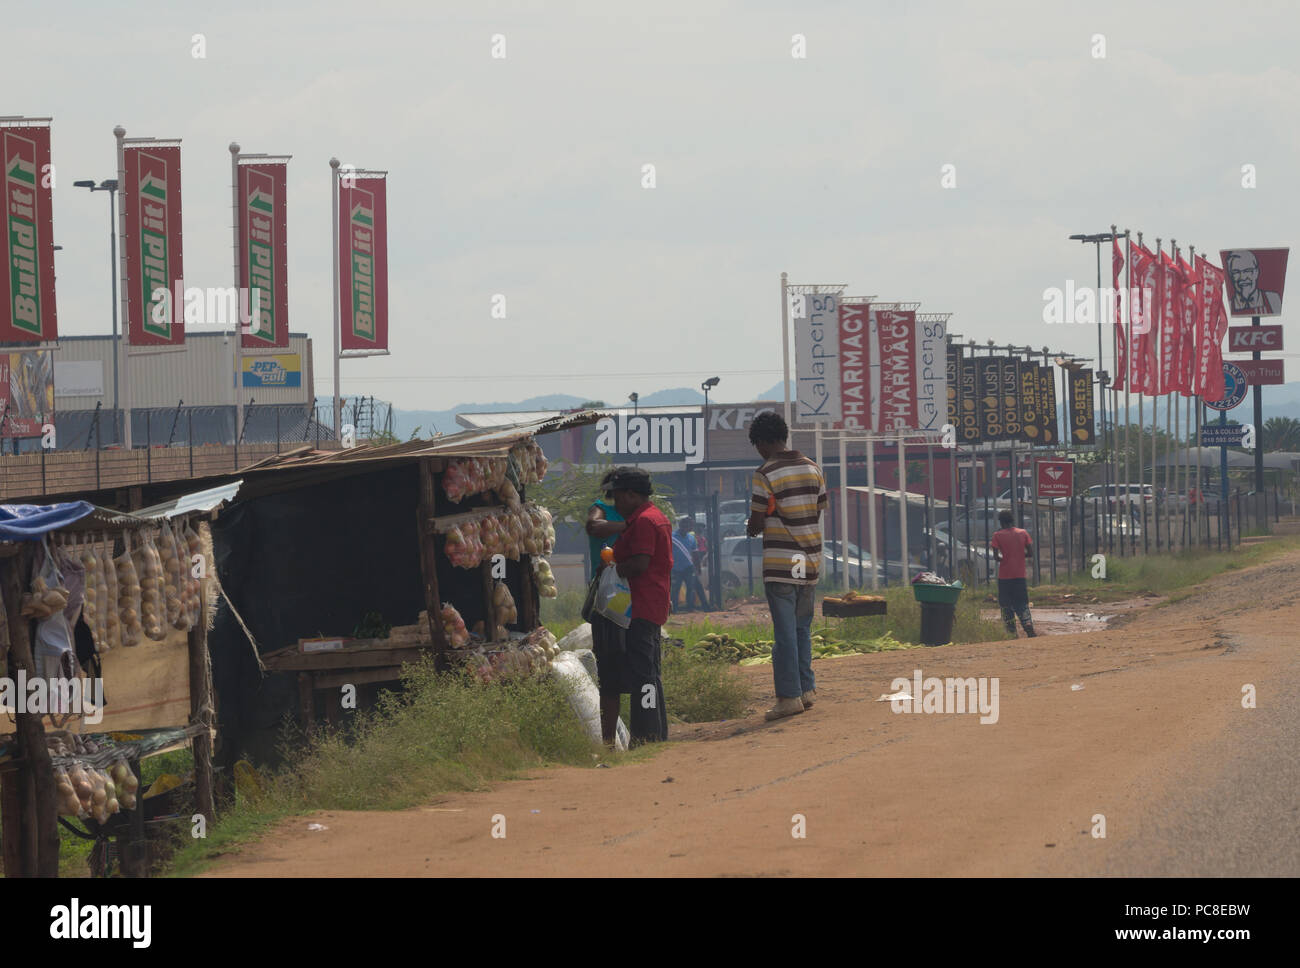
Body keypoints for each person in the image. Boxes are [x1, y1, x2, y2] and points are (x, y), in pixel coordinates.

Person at [746, 412, 827, 722]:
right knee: (801, 627)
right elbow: (818, 510)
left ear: (764, 441)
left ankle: (788, 697)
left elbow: (757, 519)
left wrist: (754, 526)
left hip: (783, 561)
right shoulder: (813, 468)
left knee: (784, 633)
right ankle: (806, 690)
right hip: (809, 561)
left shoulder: (765, 473)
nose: (759, 451)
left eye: (758, 445)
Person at [605, 467, 671, 744]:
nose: (616, 504)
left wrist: (616, 569)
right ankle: (656, 731)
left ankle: (645, 735)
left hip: (641, 607)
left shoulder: (644, 521)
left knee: (643, 675)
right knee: (650, 673)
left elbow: (641, 563)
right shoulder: (653, 517)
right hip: (651, 605)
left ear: (632, 495)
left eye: (618, 498)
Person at [585, 470, 628, 745]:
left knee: (630, 666)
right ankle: (608, 740)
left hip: (631, 595)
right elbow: (594, 527)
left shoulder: (635, 514)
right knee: (610, 670)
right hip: (609, 597)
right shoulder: (600, 509)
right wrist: (627, 526)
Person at [989, 509, 1037, 638]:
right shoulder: (1023, 533)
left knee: (1006, 605)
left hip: (1004, 577)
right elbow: (1030, 553)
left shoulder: (997, 535)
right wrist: (1020, 556)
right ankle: (1027, 624)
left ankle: (1012, 632)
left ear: (1001, 522)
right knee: (1022, 603)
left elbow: (996, 557)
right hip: (1019, 576)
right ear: (1012, 520)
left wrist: (1005, 558)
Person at [1225, 250, 1283, 315]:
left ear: (1256, 272)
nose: (1243, 277)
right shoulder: (1228, 306)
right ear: (1230, 275)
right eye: (1236, 272)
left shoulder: (1272, 299)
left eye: (1248, 271)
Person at [670, 517, 701, 612]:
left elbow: (695, 554)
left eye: (688, 525)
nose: (686, 527)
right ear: (680, 525)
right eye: (684, 525)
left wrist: (698, 567)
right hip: (675, 568)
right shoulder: (672, 537)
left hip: (688, 567)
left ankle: (690, 608)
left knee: (691, 588)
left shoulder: (691, 538)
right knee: (675, 589)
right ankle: (674, 609)